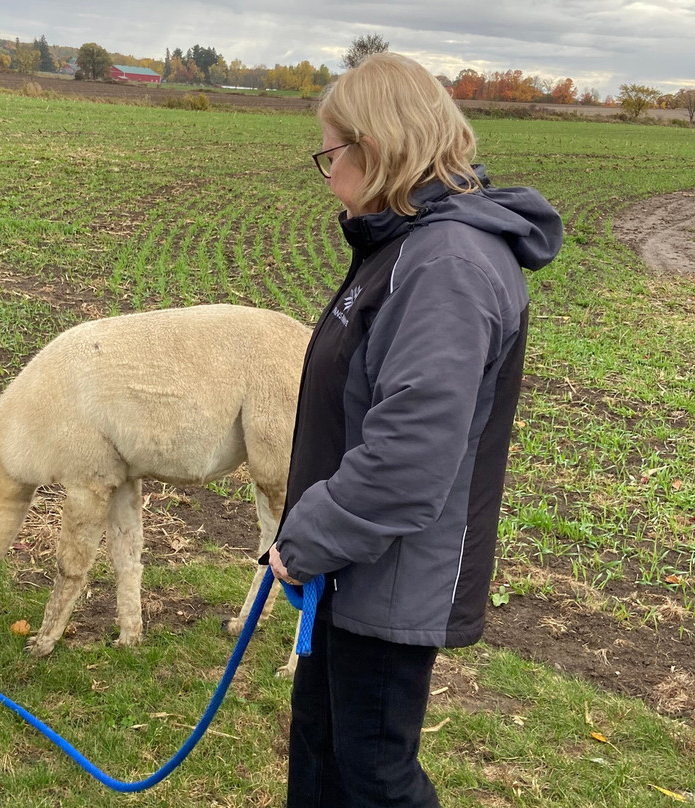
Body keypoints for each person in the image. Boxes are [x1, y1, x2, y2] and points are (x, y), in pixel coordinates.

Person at [264, 53, 564, 807]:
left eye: (330, 154)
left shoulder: (445, 268)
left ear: (379, 146)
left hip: (390, 574)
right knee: (324, 750)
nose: (327, 176)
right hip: (352, 564)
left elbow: (408, 458)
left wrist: (305, 540)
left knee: (372, 776)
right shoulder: (402, 247)